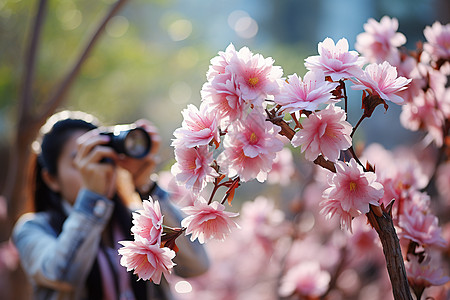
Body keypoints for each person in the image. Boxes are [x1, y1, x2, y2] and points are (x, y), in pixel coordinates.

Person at [12, 110, 209, 300]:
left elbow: (197, 265)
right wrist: (92, 198)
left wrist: (147, 188)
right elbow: (62, 275)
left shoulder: (137, 221)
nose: (96, 168)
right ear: (51, 179)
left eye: (102, 157)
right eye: (81, 161)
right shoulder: (33, 229)